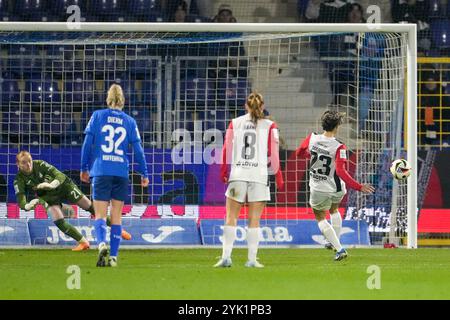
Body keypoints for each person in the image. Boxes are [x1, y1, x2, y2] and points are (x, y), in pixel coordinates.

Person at [81, 84, 149, 267]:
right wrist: (144, 172)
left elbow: (87, 144)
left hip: (101, 171)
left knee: (100, 215)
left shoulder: (97, 116)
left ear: (107, 99)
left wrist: (83, 167)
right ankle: (113, 257)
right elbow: (139, 150)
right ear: (123, 101)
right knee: (117, 216)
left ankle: (101, 243)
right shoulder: (130, 121)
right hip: (121, 172)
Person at [214, 92, 284, 268]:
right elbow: (274, 156)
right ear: (262, 106)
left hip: (238, 175)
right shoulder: (270, 125)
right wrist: (279, 176)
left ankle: (226, 257)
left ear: (246, 106)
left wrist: (224, 171)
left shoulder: (235, 123)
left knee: (231, 217)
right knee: (254, 220)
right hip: (259, 177)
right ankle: (252, 260)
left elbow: (226, 149)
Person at [295, 110, 374, 260]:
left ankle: (339, 249)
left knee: (320, 217)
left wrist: (312, 155)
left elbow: (299, 153)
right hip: (337, 188)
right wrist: (359, 186)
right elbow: (340, 171)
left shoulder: (312, 138)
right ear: (337, 127)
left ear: (322, 124)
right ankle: (333, 241)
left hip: (319, 188)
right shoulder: (339, 146)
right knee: (334, 210)